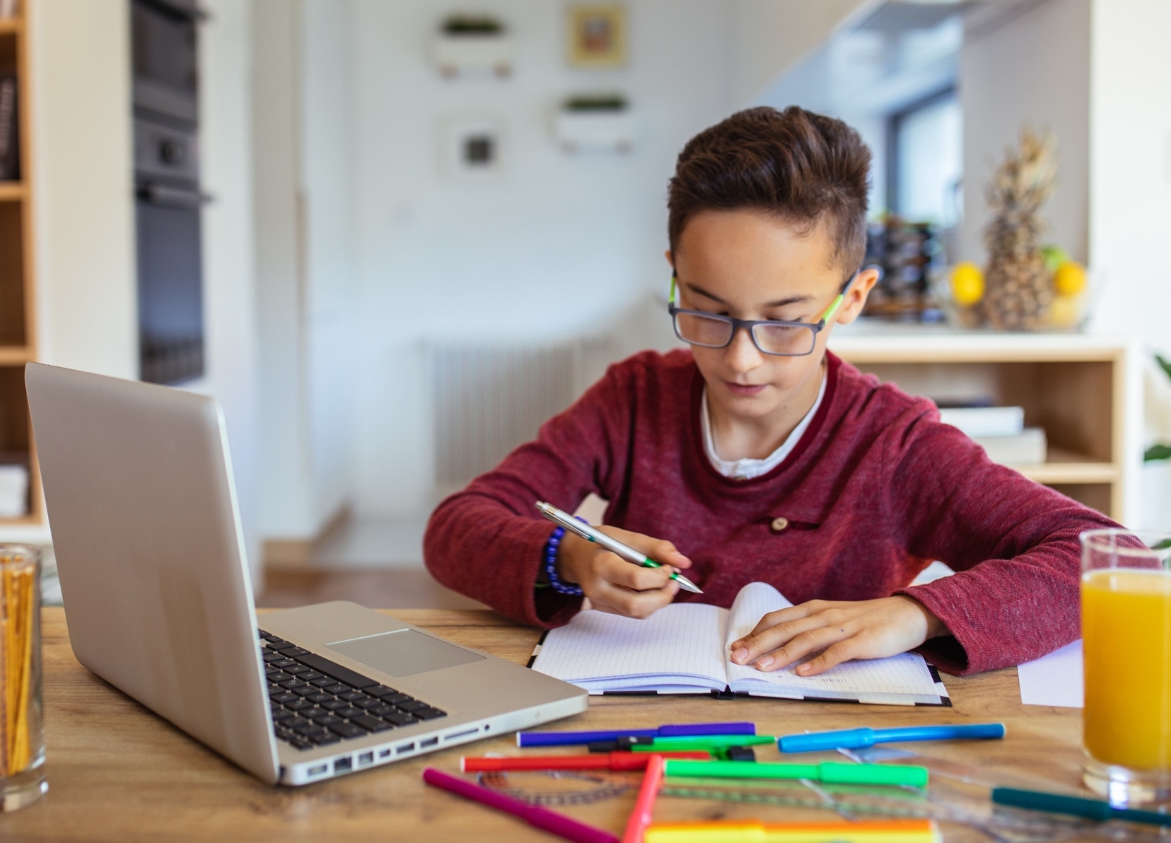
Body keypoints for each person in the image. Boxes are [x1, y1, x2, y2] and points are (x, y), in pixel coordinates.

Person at [423, 106, 1113, 677]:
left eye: (786, 323)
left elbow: (1104, 558)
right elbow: (456, 525)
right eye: (707, 311)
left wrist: (914, 613)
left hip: (839, 757)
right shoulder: (632, 400)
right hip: (647, 735)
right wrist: (569, 557)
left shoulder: (895, 444)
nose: (741, 360)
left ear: (852, 299)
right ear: (674, 277)